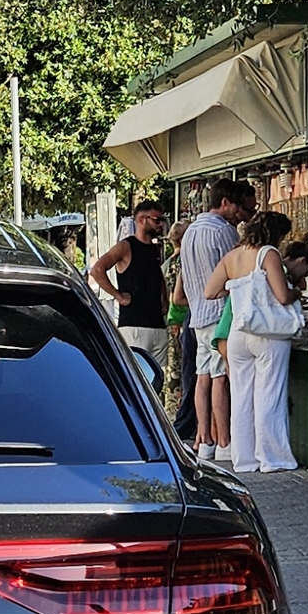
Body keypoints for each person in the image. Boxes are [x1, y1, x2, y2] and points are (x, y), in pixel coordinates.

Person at [221, 206, 301, 473]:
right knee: (269, 395)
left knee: (241, 396)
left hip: (237, 333)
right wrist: (297, 292)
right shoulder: (269, 254)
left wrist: (239, 288)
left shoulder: (232, 256)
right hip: (268, 333)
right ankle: (273, 458)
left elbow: (211, 290)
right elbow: (282, 296)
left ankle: (244, 459)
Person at [177, 178, 252, 459]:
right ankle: (223, 441)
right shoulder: (223, 232)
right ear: (225, 203)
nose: (239, 214)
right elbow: (236, 270)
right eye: (237, 207)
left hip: (197, 313)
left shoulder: (191, 232)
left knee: (202, 376)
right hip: (220, 313)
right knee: (220, 377)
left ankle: (204, 438)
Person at [90, 196, 171, 393]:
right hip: (134, 322)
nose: (160, 224)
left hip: (156, 323)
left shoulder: (154, 249)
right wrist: (118, 296)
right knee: (136, 380)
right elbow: (97, 269)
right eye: (156, 219)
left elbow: (156, 273)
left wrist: (164, 296)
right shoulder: (126, 246)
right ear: (142, 220)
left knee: (157, 381)